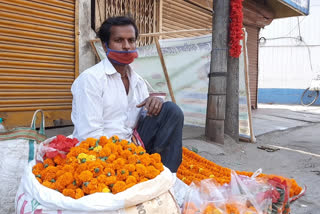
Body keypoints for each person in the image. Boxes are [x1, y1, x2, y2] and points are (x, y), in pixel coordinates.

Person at [71, 16, 184, 172]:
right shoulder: (91, 80)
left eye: (131, 41)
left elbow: (141, 120)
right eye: (119, 40)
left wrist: (155, 105)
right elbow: (90, 136)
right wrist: (122, 159)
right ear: (105, 46)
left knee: (171, 110)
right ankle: (146, 171)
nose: (126, 46)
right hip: (102, 152)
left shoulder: (138, 81)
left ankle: (167, 175)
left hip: (133, 145)